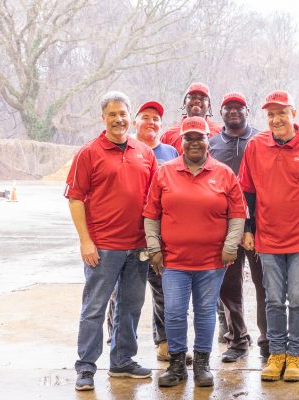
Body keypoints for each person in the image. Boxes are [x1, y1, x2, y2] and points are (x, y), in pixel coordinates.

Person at [238, 90, 299, 382]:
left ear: (293, 113)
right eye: (270, 114)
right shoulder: (256, 146)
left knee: (297, 296)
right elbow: (248, 192)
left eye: (282, 113)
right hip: (268, 238)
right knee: (273, 299)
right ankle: (276, 354)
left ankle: (295, 356)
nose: (276, 119)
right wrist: (247, 229)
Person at [142, 116, 247, 388]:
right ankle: (177, 364)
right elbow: (151, 214)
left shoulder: (224, 173)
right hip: (174, 261)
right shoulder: (165, 172)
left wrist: (230, 246)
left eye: (199, 137)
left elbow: (237, 214)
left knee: (204, 312)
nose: (194, 143)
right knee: (175, 312)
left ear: (207, 141)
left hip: (212, 262)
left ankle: (202, 364)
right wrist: (154, 247)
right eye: (188, 138)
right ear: (182, 142)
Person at [66, 91, 157, 391]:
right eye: (112, 114)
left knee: (130, 306)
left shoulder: (145, 153)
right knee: (94, 307)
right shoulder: (88, 153)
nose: (119, 119)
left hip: (138, 246)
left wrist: (153, 242)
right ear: (103, 118)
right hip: (103, 247)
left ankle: (122, 361)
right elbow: (76, 199)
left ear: (131, 116)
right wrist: (85, 241)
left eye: (123, 113)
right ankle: (86, 367)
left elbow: (154, 200)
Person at [105, 100, 182, 364]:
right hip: (128, 235)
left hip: (161, 238)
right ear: (135, 121)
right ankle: (117, 341)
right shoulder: (124, 150)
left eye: (156, 119)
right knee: (121, 293)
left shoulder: (171, 153)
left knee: (163, 291)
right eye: (146, 117)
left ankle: (164, 342)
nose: (151, 123)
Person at [209, 91, 268, 361]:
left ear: (248, 111)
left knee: (264, 283)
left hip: (259, 224)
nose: (234, 111)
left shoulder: (261, 140)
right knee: (229, 286)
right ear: (220, 113)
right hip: (224, 225)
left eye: (239, 107)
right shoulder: (212, 144)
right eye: (228, 107)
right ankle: (238, 339)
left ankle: (268, 338)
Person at [161, 82, 222, 153]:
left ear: (209, 105)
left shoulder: (219, 133)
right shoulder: (169, 134)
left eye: (203, 98)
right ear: (184, 102)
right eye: (192, 97)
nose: (197, 101)